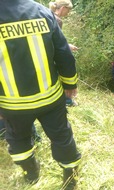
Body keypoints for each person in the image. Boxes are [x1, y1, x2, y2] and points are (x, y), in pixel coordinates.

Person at [0, 0, 81, 189]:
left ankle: (31, 174)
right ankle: (70, 180)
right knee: (62, 136)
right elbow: (63, 53)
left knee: (18, 140)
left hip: (13, 104)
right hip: (50, 97)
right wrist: (70, 83)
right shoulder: (42, 12)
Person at [49, 0, 79, 106]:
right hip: (53, 55)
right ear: (63, 8)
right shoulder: (57, 20)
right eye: (69, 10)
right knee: (62, 73)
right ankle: (67, 100)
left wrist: (67, 45)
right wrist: (66, 47)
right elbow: (57, 43)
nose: (69, 13)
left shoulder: (47, 15)